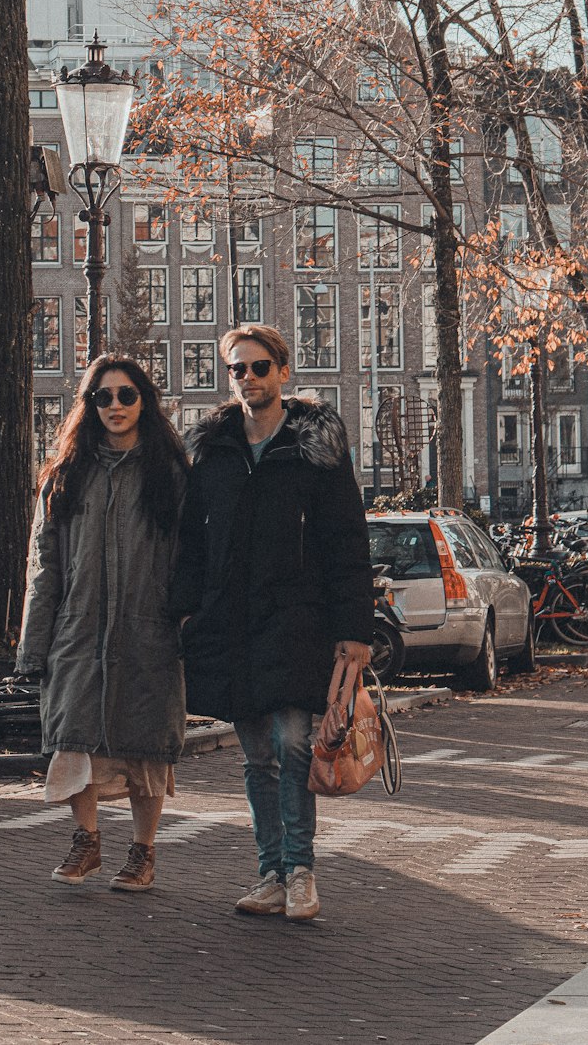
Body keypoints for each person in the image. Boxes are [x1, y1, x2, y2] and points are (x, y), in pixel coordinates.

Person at [172, 323, 373, 922]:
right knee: (256, 751)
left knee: (291, 743)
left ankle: (301, 870)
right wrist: (183, 611)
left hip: (295, 620)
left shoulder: (316, 448)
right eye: (237, 369)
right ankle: (270, 872)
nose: (249, 379)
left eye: (260, 367)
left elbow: (346, 540)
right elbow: (190, 540)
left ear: (283, 372)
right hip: (230, 621)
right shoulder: (212, 450)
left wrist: (355, 629)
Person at [16, 355, 188, 891]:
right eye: (102, 397)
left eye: (126, 395)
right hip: (78, 630)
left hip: (147, 630)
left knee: (147, 747)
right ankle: (86, 841)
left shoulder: (171, 474)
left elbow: (191, 561)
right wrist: (33, 646)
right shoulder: (65, 475)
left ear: (144, 401)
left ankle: (143, 851)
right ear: (88, 405)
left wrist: (183, 626)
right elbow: (43, 566)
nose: (115, 406)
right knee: (73, 740)